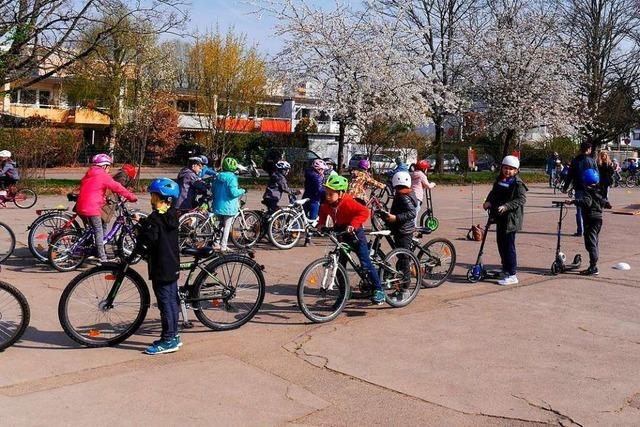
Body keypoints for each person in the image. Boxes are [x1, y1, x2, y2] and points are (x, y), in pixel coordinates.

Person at [317, 175, 385, 304]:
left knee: (365, 263)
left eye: (331, 194)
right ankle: (343, 294)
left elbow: (364, 212)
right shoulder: (327, 204)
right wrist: (321, 225)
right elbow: (323, 213)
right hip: (341, 232)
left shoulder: (348, 202)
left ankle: (379, 290)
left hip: (355, 234)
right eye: (327, 193)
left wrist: (353, 225)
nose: (328, 196)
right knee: (339, 266)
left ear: (341, 193)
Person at [136, 178, 181, 355]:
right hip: (172, 265)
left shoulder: (155, 218)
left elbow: (149, 239)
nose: (151, 199)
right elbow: (158, 230)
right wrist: (145, 222)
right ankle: (174, 335)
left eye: (153, 195)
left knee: (165, 303)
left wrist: (141, 230)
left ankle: (168, 339)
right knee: (171, 301)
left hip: (161, 267)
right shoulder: (171, 215)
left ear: (161, 197)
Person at [75, 154, 138, 263]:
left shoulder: (89, 173)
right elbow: (117, 187)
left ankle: (92, 250)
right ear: (103, 166)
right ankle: (102, 258)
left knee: (94, 229)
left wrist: (103, 199)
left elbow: (93, 190)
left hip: (81, 205)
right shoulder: (103, 176)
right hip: (91, 208)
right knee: (99, 231)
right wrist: (131, 197)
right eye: (108, 166)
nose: (109, 169)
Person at [482, 155, 528, 286]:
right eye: (506, 168)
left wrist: (506, 206)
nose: (508, 171)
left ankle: (512, 274)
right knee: (501, 244)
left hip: (511, 220)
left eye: (511, 169)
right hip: (500, 217)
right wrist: (488, 201)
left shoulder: (518, 184)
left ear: (516, 171)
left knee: (508, 247)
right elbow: (494, 193)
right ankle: (505, 269)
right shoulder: (500, 180)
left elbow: (521, 200)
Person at [382, 171, 418, 301]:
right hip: (399, 228)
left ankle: (405, 289)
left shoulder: (403, 196)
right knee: (400, 255)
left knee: (404, 258)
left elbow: (411, 213)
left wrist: (395, 217)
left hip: (404, 231)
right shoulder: (403, 193)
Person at [565, 169, 603, 276]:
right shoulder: (598, 190)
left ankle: (593, 267)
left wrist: (573, 201)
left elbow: (587, 202)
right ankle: (593, 264)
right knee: (594, 242)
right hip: (598, 219)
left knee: (590, 244)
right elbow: (603, 201)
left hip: (590, 219)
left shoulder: (588, 191)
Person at [212, 157, 246, 251]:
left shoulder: (218, 176)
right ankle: (223, 246)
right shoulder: (232, 178)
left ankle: (216, 243)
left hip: (217, 205)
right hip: (228, 206)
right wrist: (243, 190)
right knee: (227, 227)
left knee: (219, 226)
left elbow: (213, 190)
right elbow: (234, 193)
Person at [563, 141, 597, 236]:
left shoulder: (575, 160)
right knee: (589, 208)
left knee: (579, 209)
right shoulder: (592, 161)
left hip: (579, 187)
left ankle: (580, 230)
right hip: (590, 188)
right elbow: (596, 175)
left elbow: (569, 175)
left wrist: (565, 187)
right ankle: (589, 229)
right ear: (588, 149)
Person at [410, 160, 436, 226]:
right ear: (424, 168)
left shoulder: (412, 174)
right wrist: (433, 184)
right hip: (417, 197)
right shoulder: (422, 175)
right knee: (414, 214)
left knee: (410, 213)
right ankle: (412, 230)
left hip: (410, 195)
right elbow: (428, 186)